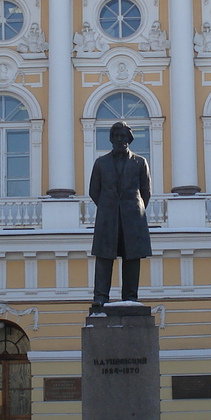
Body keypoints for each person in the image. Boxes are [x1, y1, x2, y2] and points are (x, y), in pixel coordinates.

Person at [88, 121, 152, 309]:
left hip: (133, 217)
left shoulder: (140, 162)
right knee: (104, 257)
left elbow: (146, 191)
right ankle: (101, 296)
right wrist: (109, 207)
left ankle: (130, 297)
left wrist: (132, 209)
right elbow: (94, 190)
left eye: (123, 136)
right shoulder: (101, 163)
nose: (119, 139)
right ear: (111, 139)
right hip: (108, 217)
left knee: (132, 257)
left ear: (129, 139)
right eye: (116, 136)